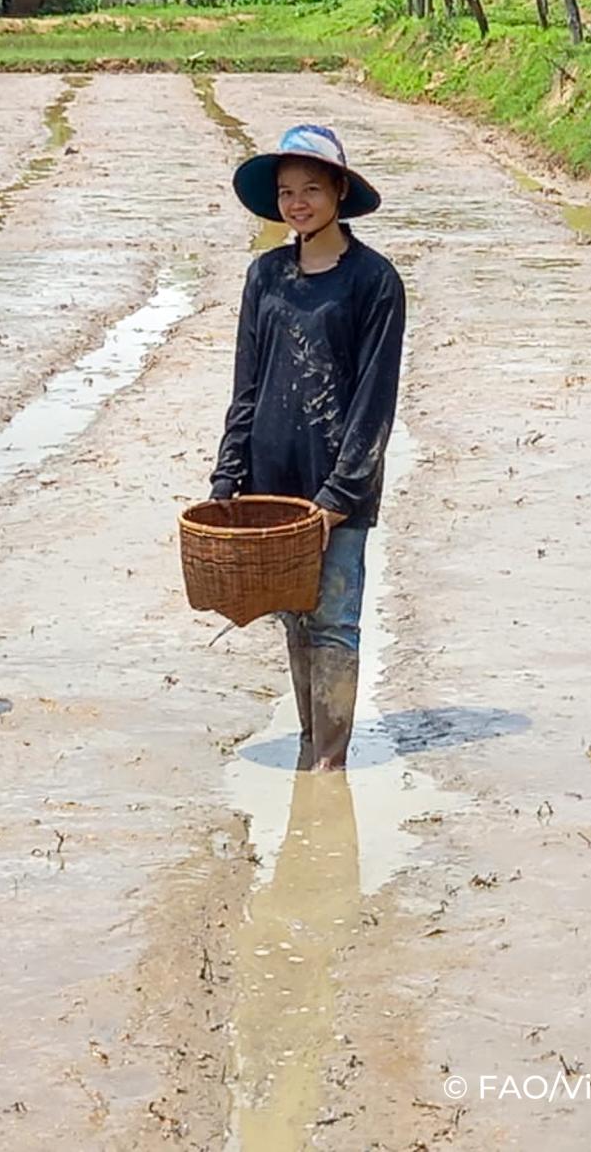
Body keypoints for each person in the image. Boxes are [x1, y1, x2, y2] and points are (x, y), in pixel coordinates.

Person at [210, 125, 406, 772]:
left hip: (339, 485)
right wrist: (226, 480)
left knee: (336, 622)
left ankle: (330, 762)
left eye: (312, 190)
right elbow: (248, 384)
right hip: (273, 484)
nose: (298, 204)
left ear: (340, 193)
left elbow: (374, 401)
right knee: (294, 619)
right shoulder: (264, 276)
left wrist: (339, 498)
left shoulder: (374, 283)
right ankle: (308, 741)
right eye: (287, 193)